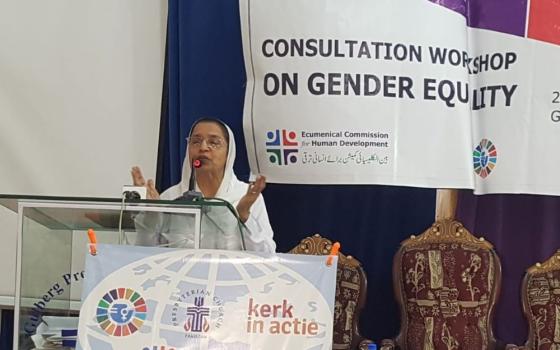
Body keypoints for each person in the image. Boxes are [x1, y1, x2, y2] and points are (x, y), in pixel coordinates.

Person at [130, 118, 276, 253]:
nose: (203, 148)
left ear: (229, 153)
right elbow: (146, 254)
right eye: (196, 141)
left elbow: (267, 254)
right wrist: (150, 217)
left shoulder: (245, 196)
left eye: (213, 142)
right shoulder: (171, 197)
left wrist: (244, 216)